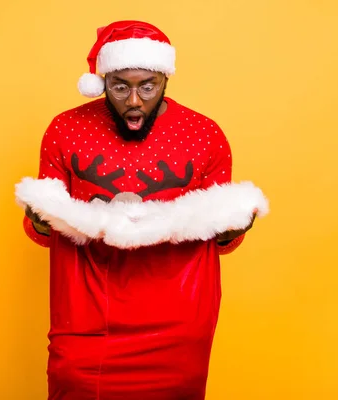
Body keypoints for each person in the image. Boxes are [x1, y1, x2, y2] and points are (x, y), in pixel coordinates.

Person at [15, 20, 268, 400]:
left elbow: (221, 243)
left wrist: (234, 227)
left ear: (165, 78)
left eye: (147, 86)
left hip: (178, 325)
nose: (134, 101)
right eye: (120, 86)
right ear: (103, 81)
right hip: (86, 320)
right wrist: (41, 219)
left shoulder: (205, 135)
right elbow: (39, 232)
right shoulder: (65, 129)